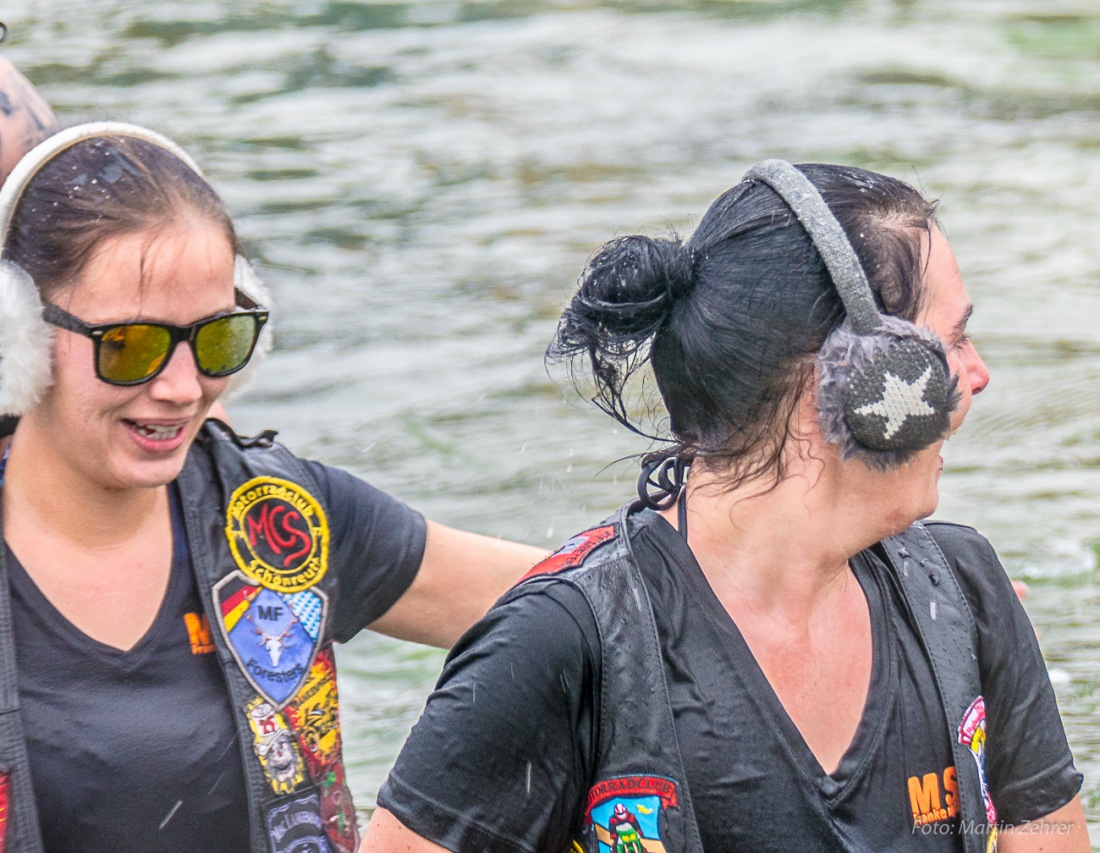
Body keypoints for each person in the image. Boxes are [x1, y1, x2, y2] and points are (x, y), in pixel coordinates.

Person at [362, 161, 1089, 852]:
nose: (978, 372)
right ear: (853, 378)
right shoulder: (563, 644)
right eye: (952, 341)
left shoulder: (964, 594)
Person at [0, 121, 544, 852]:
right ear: (18, 338)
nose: (183, 388)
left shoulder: (285, 520)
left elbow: (587, 610)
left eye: (217, 339)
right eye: (131, 346)